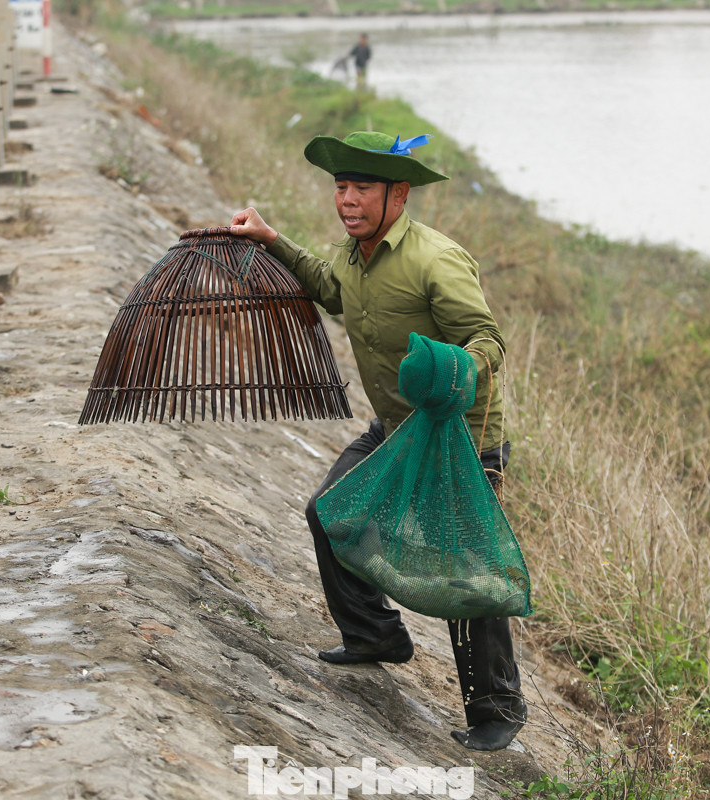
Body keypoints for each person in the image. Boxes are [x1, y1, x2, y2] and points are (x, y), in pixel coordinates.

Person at [230, 130, 526, 752]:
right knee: (328, 509)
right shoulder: (350, 256)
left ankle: (496, 709)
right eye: (340, 186)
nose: (347, 199)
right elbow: (326, 285)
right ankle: (375, 636)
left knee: (465, 568)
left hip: (459, 437)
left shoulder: (434, 259)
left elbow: (489, 340)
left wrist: (459, 370)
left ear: (399, 193)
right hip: (394, 429)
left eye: (361, 187)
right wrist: (269, 238)